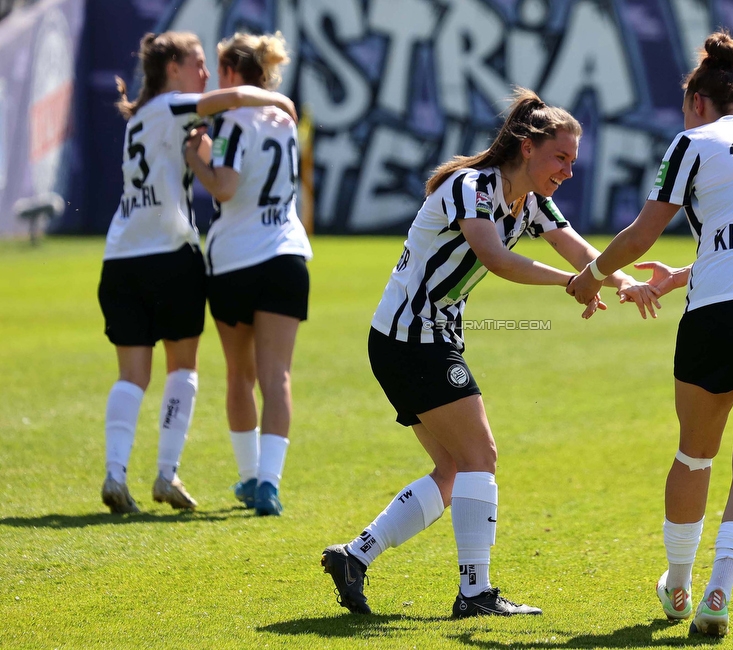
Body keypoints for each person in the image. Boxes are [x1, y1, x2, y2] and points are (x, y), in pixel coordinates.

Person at [320, 88, 651, 618]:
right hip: (412, 339)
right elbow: (495, 258)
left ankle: (354, 557)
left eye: (573, 160)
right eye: (559, 158)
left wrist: (624, 282)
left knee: (453, 470)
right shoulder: (470, 188)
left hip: (423, 338)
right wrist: (577, 283)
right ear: (526, 147)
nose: (568, 170)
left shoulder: (532, 202)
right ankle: (474, 594)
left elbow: (581, 250)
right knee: (481, 458)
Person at [568, 31, 733, 637]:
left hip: (719, 316)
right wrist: (681, 275)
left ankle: (680, 585)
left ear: (696, 102)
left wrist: (593, 274)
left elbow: (640, 234)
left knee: (694, 454)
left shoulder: (691, 143)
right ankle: (721, 591)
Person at [98, 31, 298, 514]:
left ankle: (114, 473)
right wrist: (279, 98)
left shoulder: (139, 118)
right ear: (172, 68)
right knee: (183, 370)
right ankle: (166, 474)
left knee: (130, 376)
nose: (204, 73)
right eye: (197, 63)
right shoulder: (175, 105)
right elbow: (229, 98)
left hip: (119, 255)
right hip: (171, 255)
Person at [183, 32, 311, 517]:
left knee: (239, 374)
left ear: (233, 75)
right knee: (277, 376)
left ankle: (249, 476)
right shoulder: (284, 116)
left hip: (236, 259)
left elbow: (226, 188)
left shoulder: (233, 122)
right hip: (285, 256)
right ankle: (270, 485)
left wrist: (196, 157)